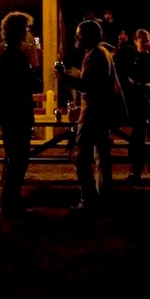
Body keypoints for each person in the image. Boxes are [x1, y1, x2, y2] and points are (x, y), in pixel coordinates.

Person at [54, 19, 125, 213]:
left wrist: (63, 77)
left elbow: (88, 86)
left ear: (87, 37)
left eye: (79, 35)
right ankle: (103, 196)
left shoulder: (95, 56)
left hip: (93, 113)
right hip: (102, 112)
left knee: (80, 155)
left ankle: (88, 199)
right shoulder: (102, 53)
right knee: (101, 156)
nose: (76, 38)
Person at [0, 11, 40, 218]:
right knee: (19, 157)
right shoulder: (16, 55)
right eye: (25, 29)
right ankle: (11, 203)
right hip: (17, 111)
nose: (27, 33)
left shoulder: (2, 52)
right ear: (18, 31)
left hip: (6, 112)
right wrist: (33, 71)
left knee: (13, 156)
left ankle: (10, 201)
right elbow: (31, 83)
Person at [115, 28, 150, 183]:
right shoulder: (131, 60)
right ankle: (136, 169)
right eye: (143, 41)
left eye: (148, 41)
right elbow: (126, 80)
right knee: (138, 136)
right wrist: (140, 85)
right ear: (135, 41)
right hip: (137, 104)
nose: (146, 44)